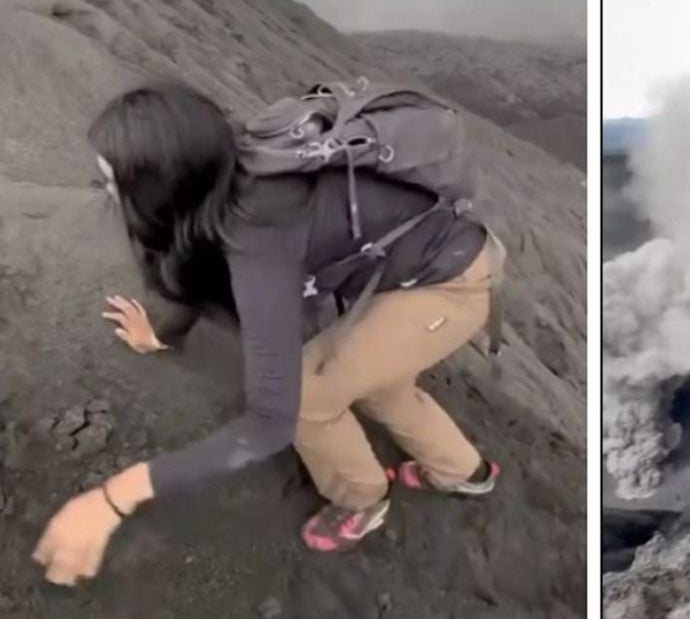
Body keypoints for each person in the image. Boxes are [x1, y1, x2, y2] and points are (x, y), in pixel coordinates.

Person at [32, 81, 504, 586]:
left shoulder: (259, 231)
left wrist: (114, 496)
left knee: (309, 395)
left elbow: (271, 421)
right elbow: (195, 265)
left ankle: (362, 501)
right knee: (380, 383)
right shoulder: (228, 174)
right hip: (420, 265)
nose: (106, 190)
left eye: (114, 181)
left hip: (448, 285)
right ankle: (463, 473)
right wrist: (164, 338)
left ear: (159, 186)